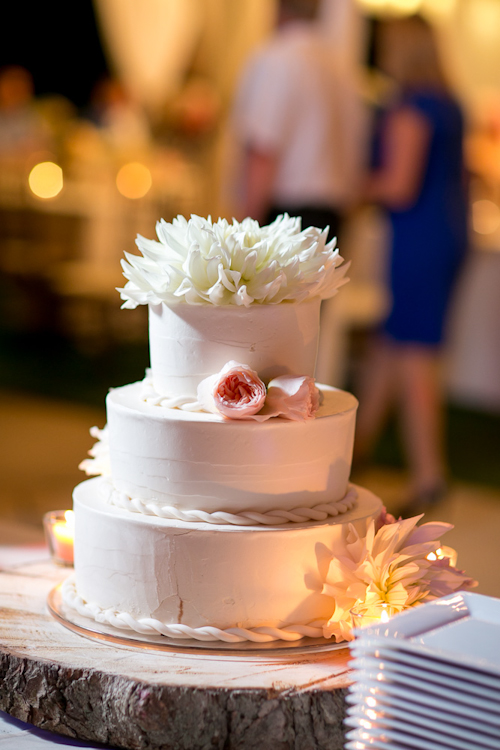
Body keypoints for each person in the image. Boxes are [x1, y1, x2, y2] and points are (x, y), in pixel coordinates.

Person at [354, 15, 468, 513]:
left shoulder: (411, 107)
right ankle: (354, 452)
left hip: (419, 239)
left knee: (415, 351)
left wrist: (349, 185)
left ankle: (428, 476)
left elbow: (397, 184)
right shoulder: (449, 103)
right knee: (391, 342)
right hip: (445, 232)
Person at [229, 0, 364, 241]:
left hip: (286, 215)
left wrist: (244, 228)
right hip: (333, 212)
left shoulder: (276, 58)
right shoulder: (341, 65)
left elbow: (263, 147)